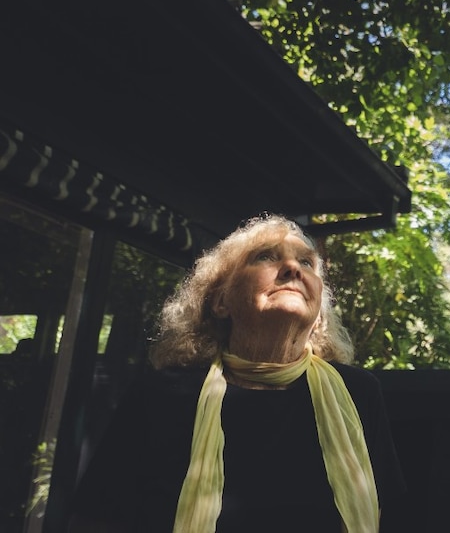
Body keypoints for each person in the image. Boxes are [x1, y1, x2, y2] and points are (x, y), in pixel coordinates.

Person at [69, 213, 406, 532]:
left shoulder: (358, 394)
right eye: (265, 257)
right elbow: (98, 520)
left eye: (306, 262)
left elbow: (380, 515)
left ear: (319, 313)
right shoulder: (161, 395)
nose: (292, 268)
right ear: (221, 302)